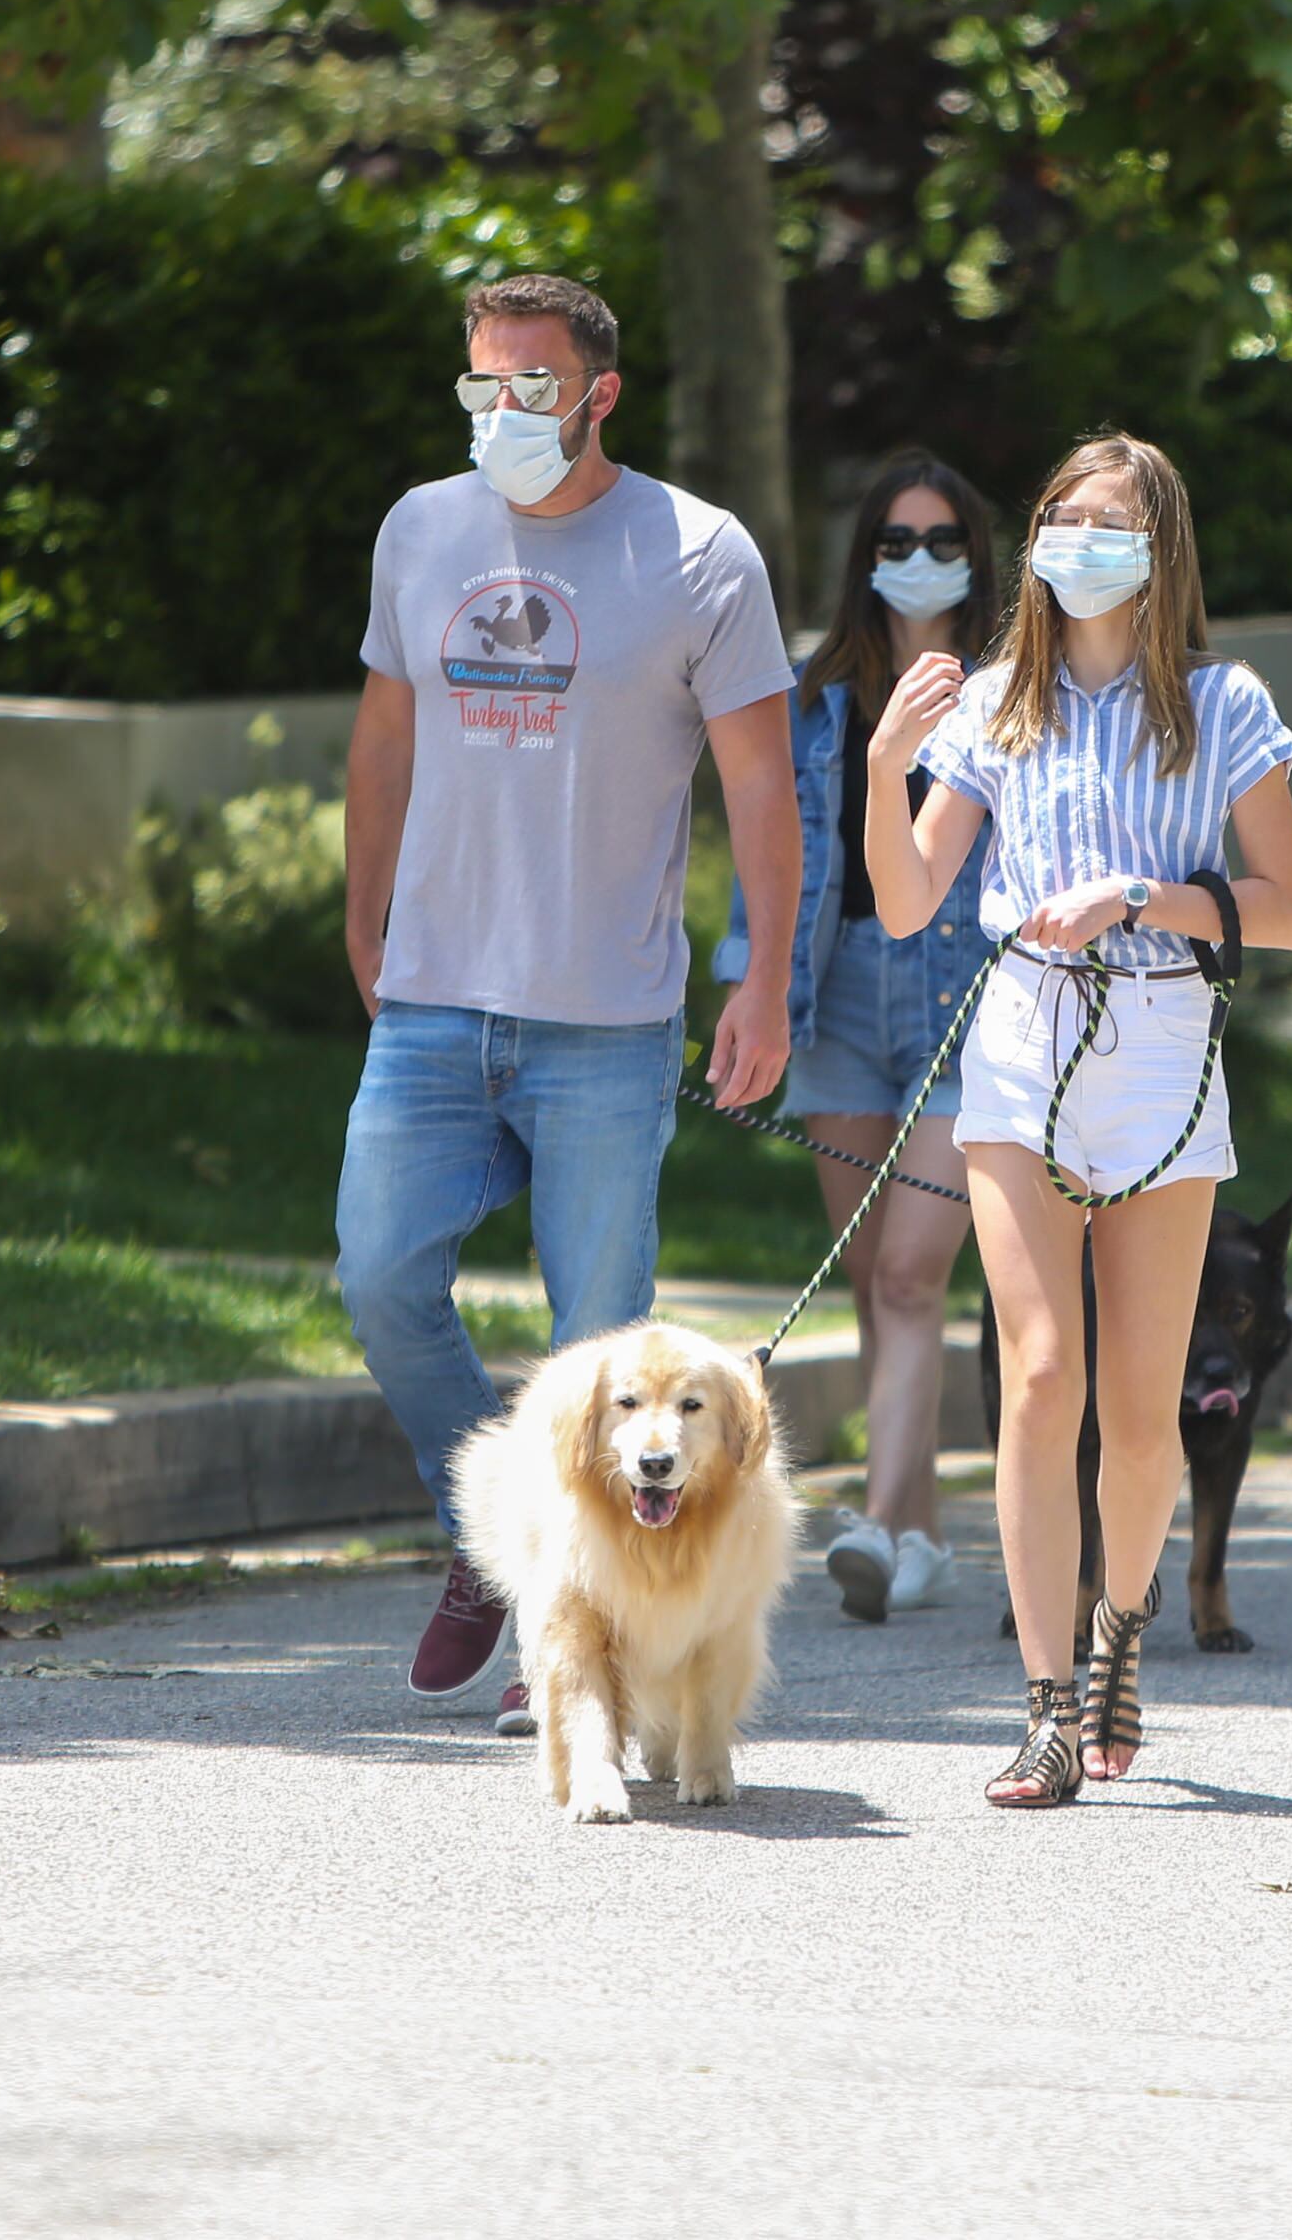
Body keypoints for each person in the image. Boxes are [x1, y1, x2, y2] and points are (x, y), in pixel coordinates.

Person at [338, 272, 803, 1729]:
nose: (500, 409)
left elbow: (761, 788)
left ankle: (572, 1626)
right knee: (381, 1280)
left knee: (611, 1355)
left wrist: (764, 982)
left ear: (600, 392)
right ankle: (500, 1528)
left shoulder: (702, 553)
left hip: (606, 1021)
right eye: (480, 382)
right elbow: (384, 734)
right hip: (429, 1004)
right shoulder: (421, 527)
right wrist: (365, 929)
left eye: (529, 383)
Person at [865, 431, 1292, 1809]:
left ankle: (1126, 1631)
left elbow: (1289, 907)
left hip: (1164, 1050)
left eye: (1107, 520)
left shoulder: (1224, 702)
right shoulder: (996, 697)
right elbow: (902, 899)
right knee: (1042, 1371)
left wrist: (1145, 897)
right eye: (1061, 516)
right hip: (1021, 1041)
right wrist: (889, 761)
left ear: (1159, 546)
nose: (1074, 540)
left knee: (1139, 1401)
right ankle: (1048, 1704)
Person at [715, 452, 1000, 1623]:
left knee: (909, 1272)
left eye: (942, 539)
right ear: (863, 559)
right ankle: (920, 1533)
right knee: (871, 1285)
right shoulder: (813, 691)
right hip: (837, 1003)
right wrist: (752, 991)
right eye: (894, 540)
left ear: (979, 559)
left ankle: (878, 1526)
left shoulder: (1010, 690)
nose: (917, 559)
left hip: (967, 1007)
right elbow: (770, 860)